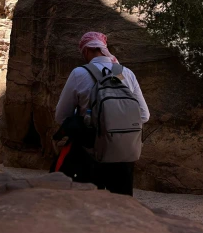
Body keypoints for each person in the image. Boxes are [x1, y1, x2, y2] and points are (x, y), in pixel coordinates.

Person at [55, 31, 150, 196]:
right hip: (123, 153)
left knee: (91, 207)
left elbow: (61, 116)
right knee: (123, 207)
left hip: (90, 153)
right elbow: (144, 115)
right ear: (103, 48)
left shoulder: (79, 73)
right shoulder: (125, 73)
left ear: (86, 51)